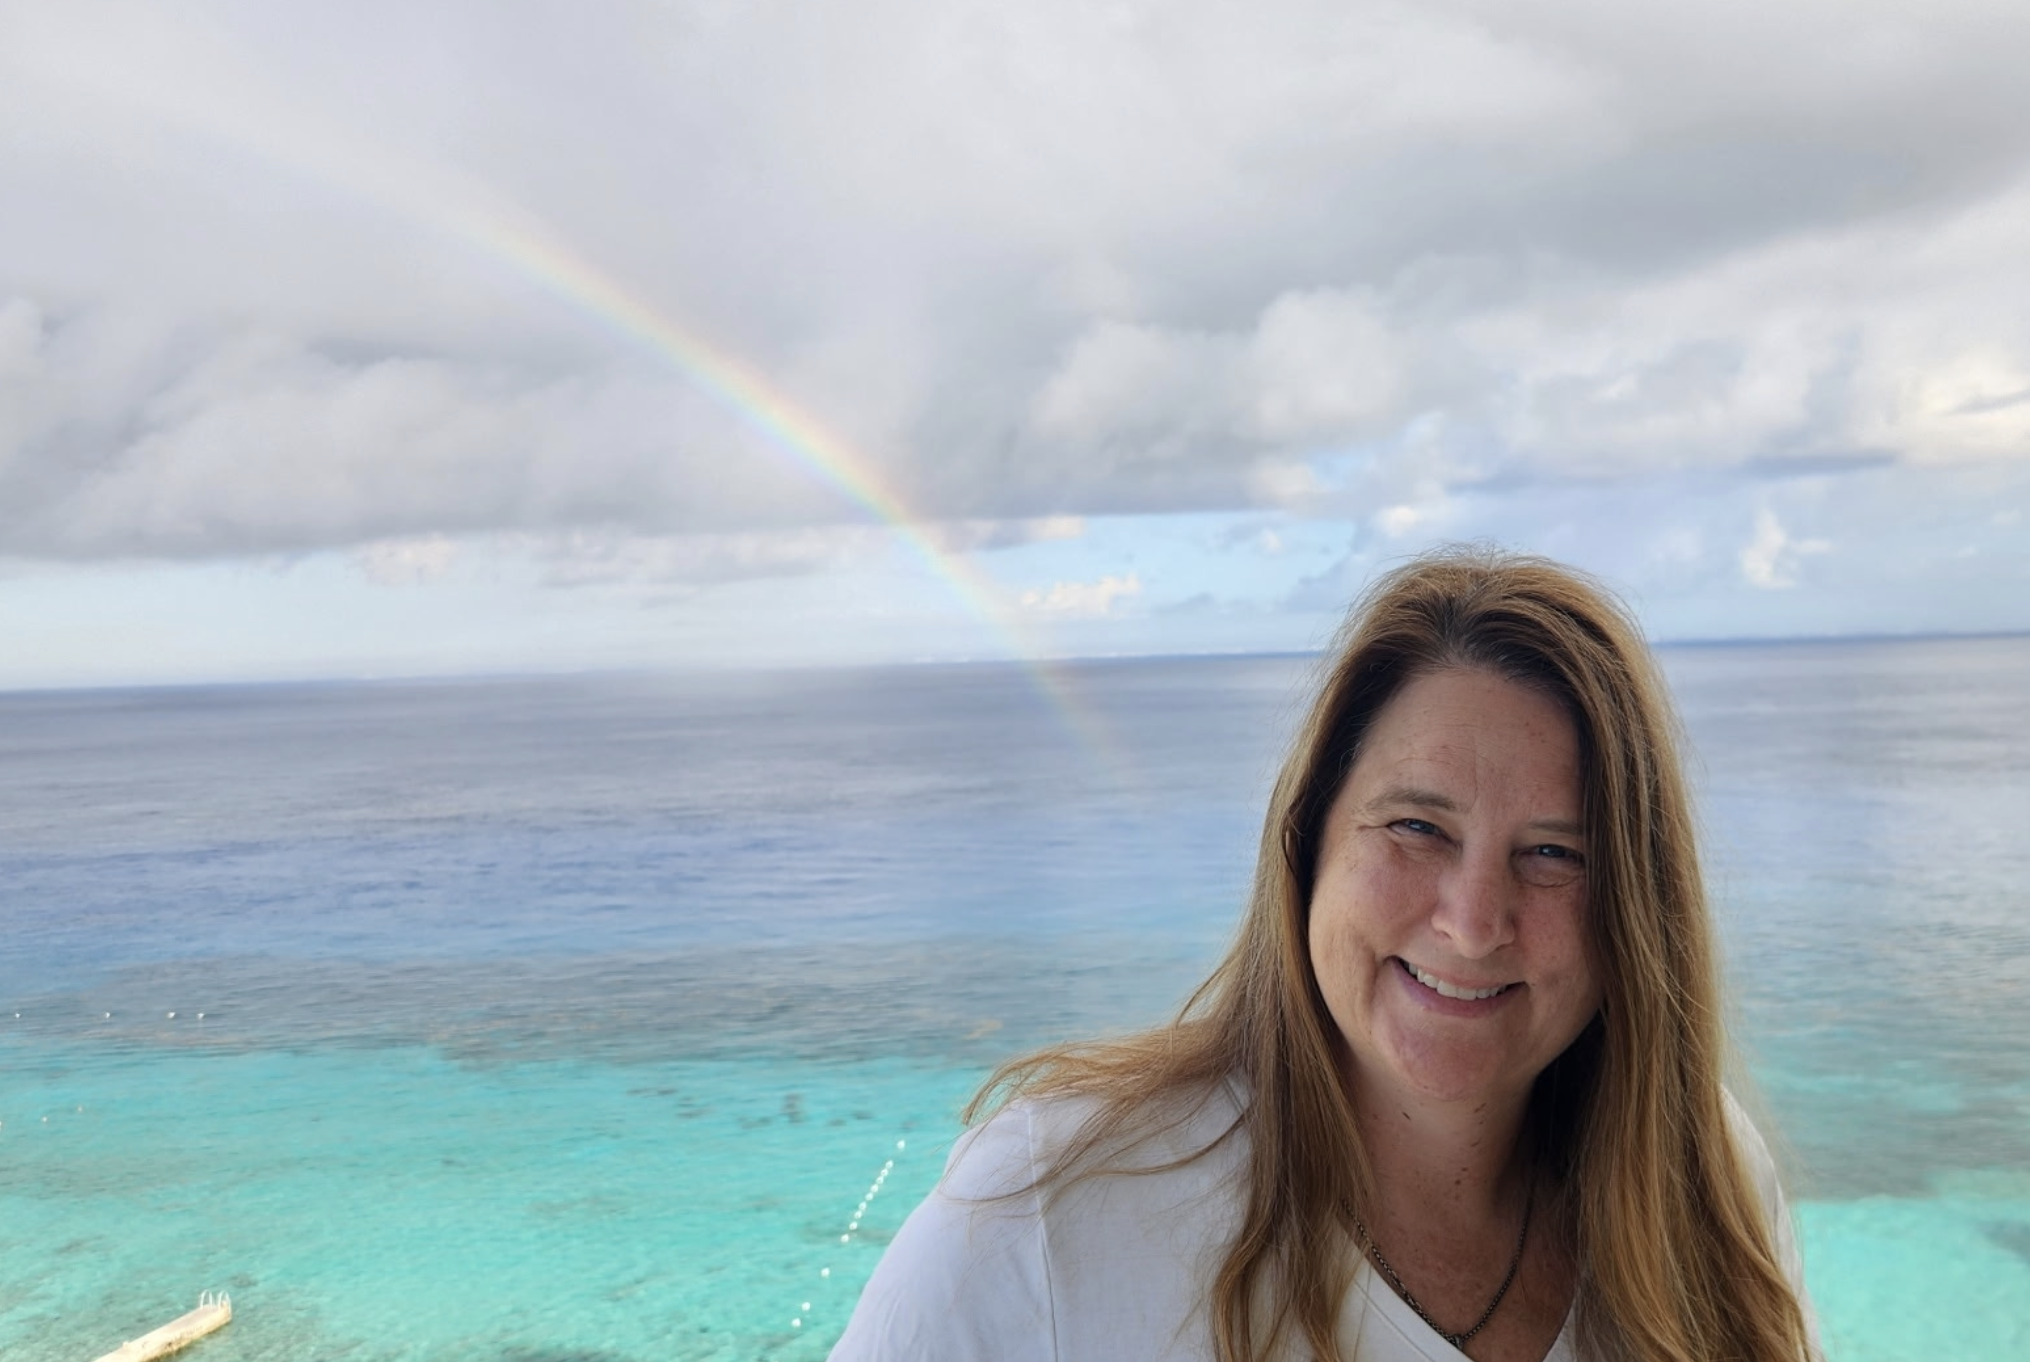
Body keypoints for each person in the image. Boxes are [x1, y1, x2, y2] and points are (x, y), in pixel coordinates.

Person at [830, 548, 1821, 1362]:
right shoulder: (1050, 1211)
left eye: (1555, 854)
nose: (1474, 921)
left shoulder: (1703, 1180)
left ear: (1635, 911)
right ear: (1306, 845)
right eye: (1416, 828)